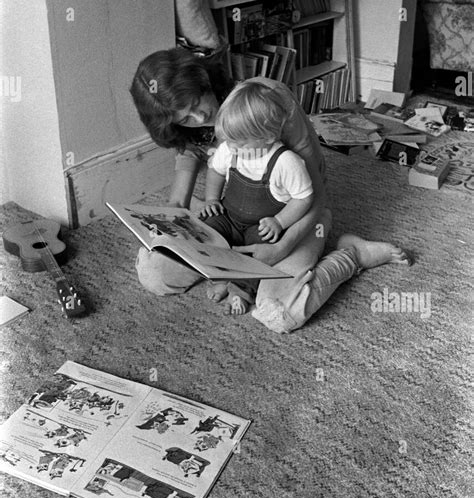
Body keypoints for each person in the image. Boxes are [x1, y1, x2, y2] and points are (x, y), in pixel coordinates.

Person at [130, 48, 411, 334]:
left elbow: (313, 195)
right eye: (186, 118)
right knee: (154, 273)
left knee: (279, 313)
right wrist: (167, 236)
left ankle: (351, 255)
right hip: (234, 218)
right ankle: (234, 273)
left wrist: (280, 248)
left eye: (196, 102)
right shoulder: (190, 129)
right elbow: (178, 201)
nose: (200, 116)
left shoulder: (265, 100)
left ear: (204, 82)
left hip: (294, 216)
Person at [199, 81, 314, 315]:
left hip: (261, 226)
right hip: (229, 217)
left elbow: (304, 198)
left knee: (260, 252)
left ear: (268, 136)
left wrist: (280, 221)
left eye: (240, 143)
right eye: (228, 141)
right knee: (207, 229)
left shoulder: (286, 162)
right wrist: (211, 199)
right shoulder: (230, 149)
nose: (231, 147)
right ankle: (219, 277)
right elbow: (215, 171)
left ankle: (241, 290)